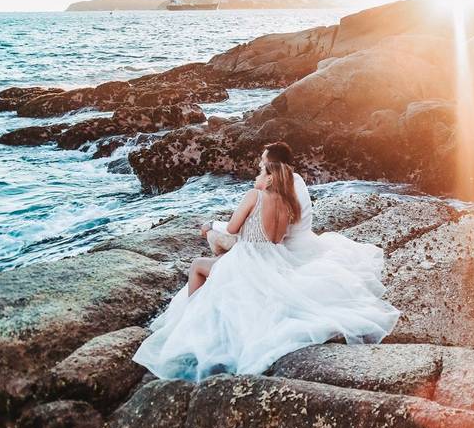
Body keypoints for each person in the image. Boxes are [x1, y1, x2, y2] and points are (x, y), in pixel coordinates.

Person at [132, 149, 401, 382]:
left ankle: (191, 322)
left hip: (247, 257)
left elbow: (234, 228)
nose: (255, 176)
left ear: (270, 177)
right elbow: (276, 239)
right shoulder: (287, 203)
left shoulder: (254, 196)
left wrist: (215, 226)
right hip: (273, 259)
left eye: (260, 171)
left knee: (198, 266)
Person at [201, 141, 313, 258]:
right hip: (302, 243)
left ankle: (225, 267)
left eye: (263, 161)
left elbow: (248, 230)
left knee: (212, 234)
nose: (260, 164)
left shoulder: (278, 190)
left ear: (273, 166)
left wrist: (213, 224)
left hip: (282, 250)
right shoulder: (297, 180)